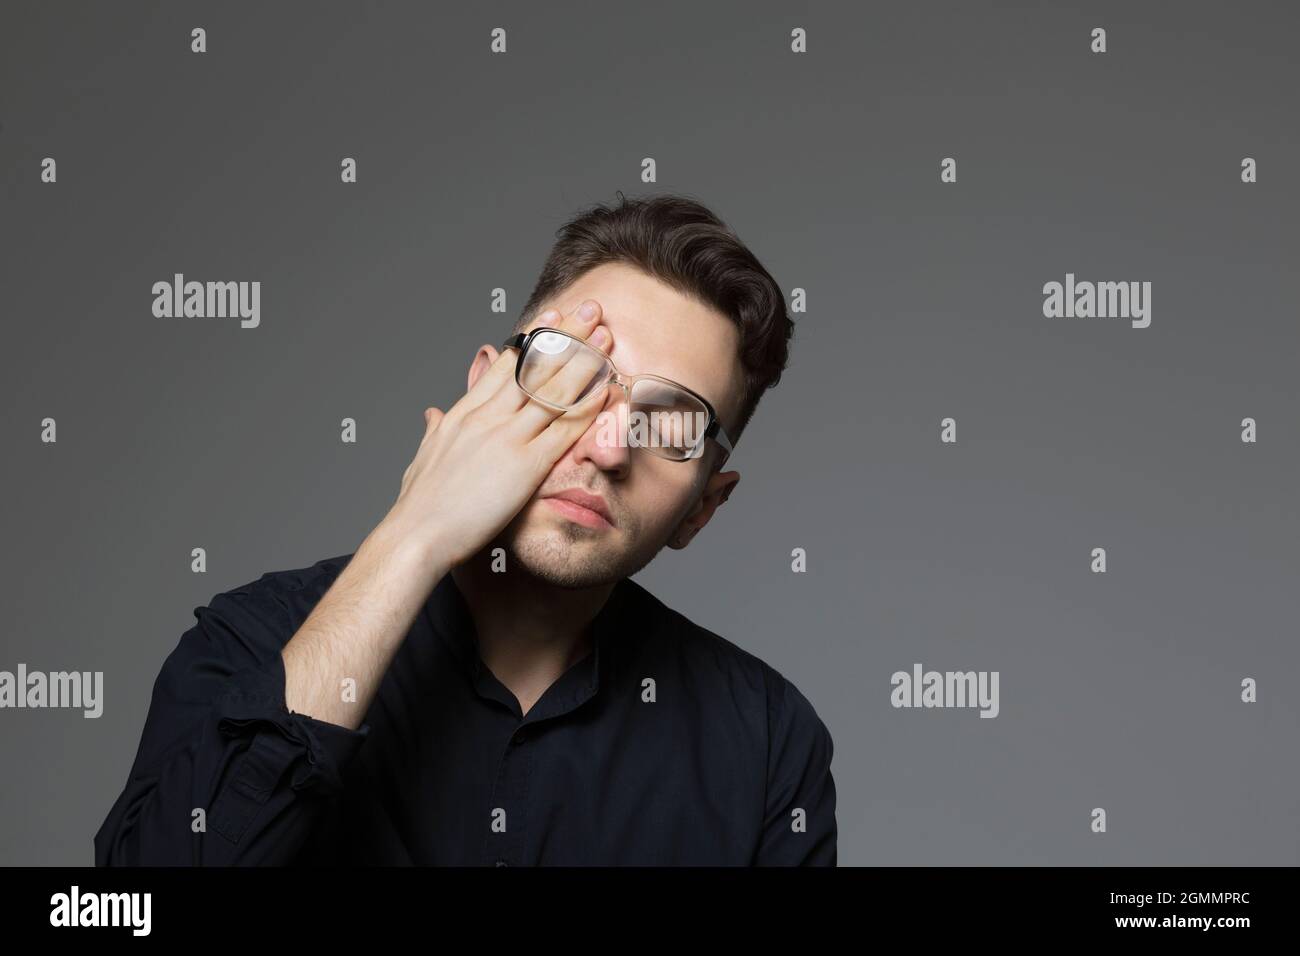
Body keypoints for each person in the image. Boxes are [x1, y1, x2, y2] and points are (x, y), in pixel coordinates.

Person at [94, 193, 837, 866]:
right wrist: (413, 535)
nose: (607, 448)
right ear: (483, 389)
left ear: (702, 506)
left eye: (669, 422)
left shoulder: (767, 744)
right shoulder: (253, 640)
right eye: (572, 376)